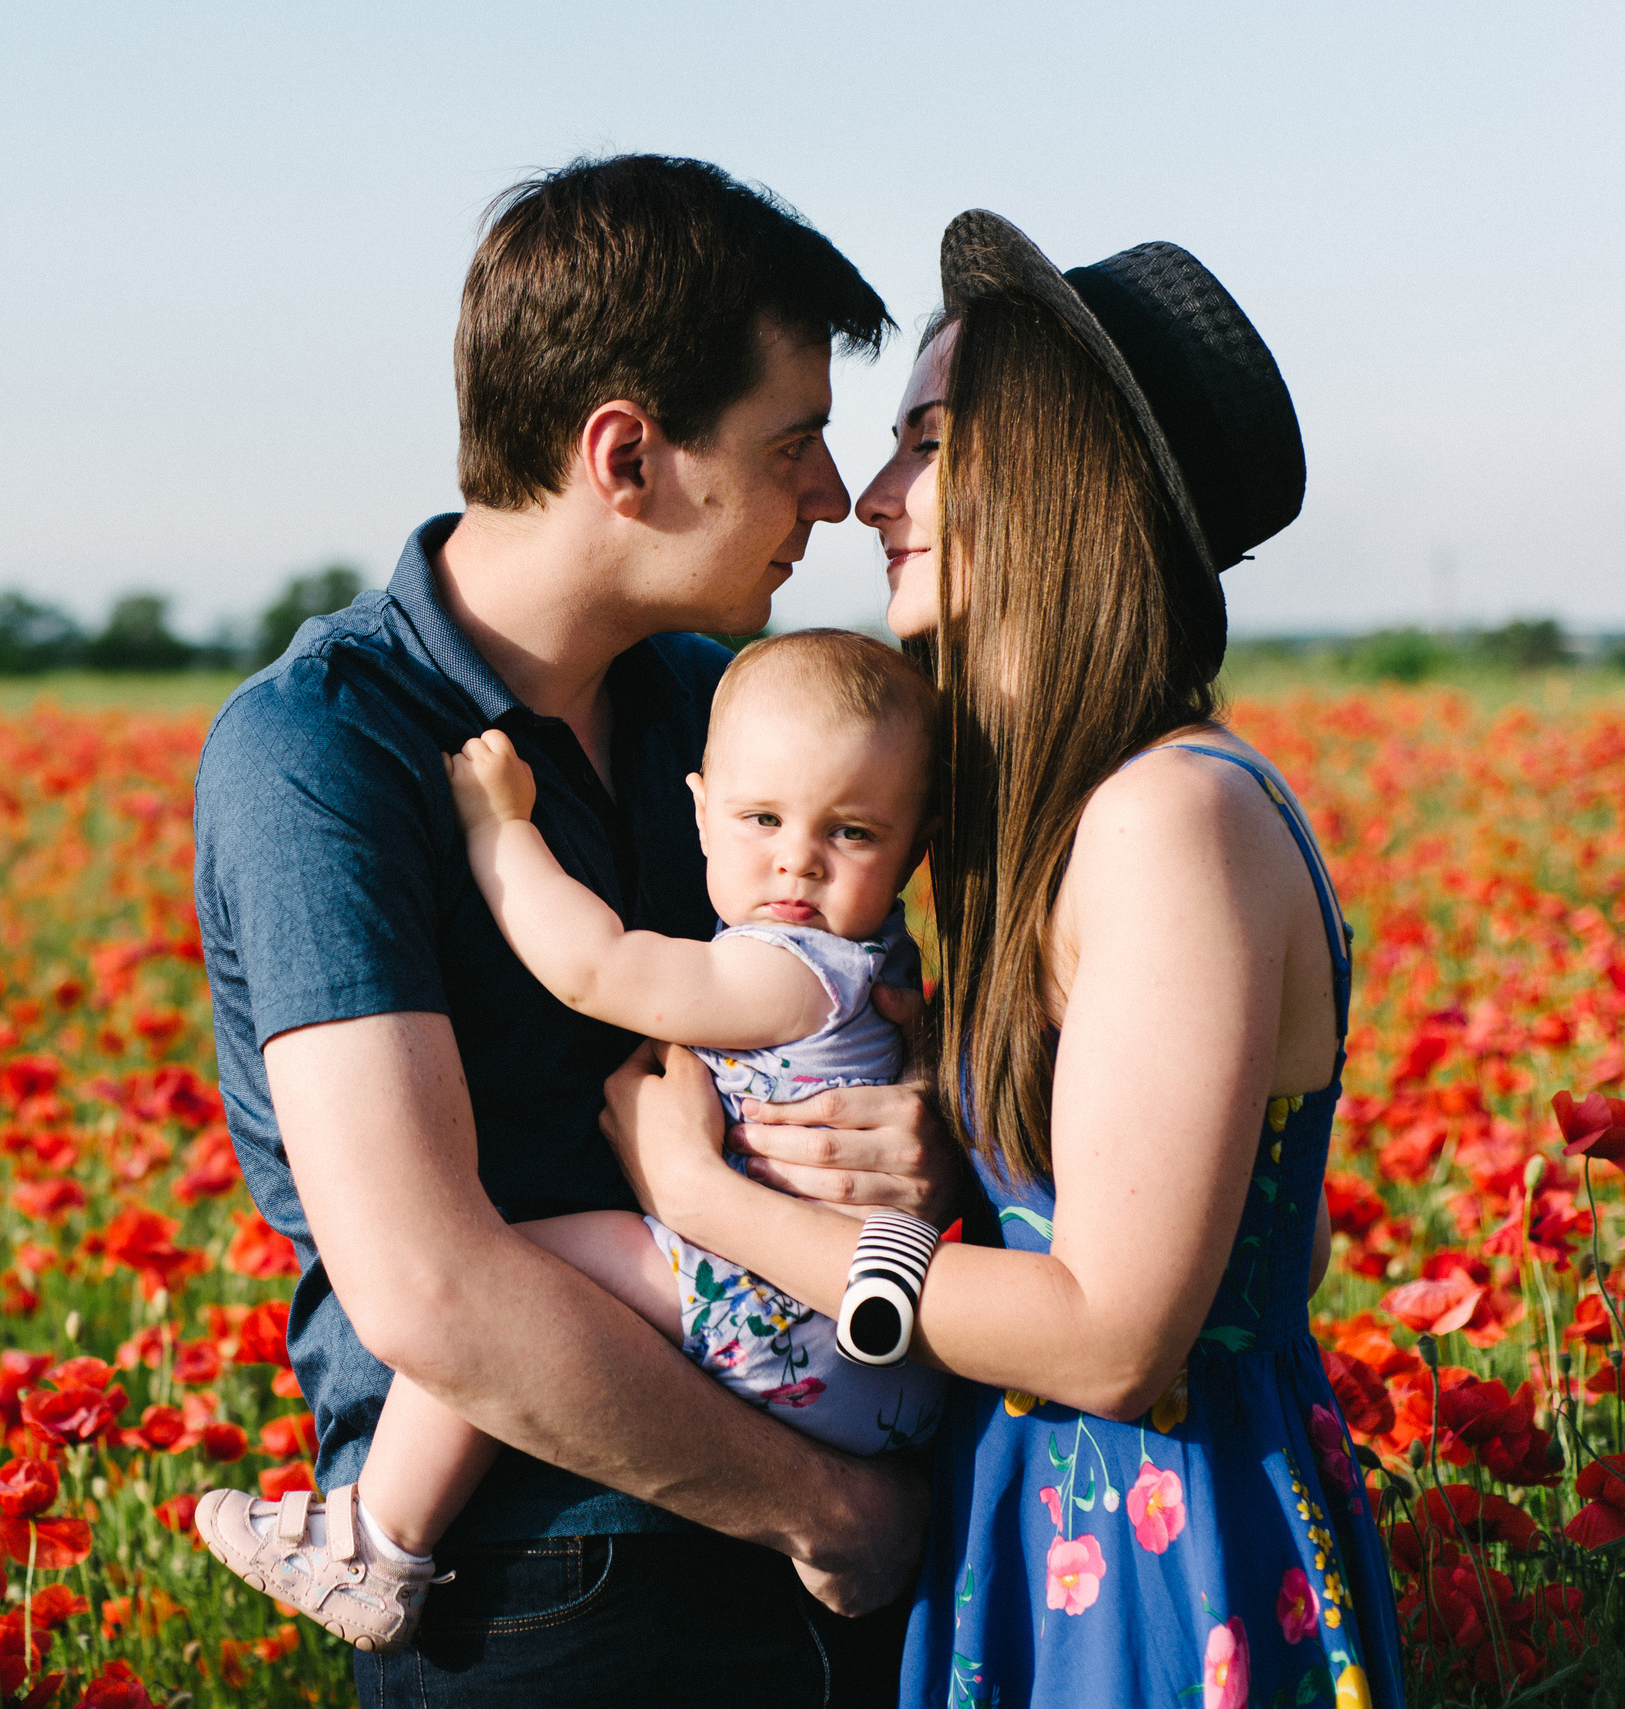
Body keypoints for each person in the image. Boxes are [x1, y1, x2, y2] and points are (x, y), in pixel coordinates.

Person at [600, 212, 1405, 1709]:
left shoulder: (1169, 818)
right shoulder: (1061, 813)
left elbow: (1111, 1341)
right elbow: (1267, 1246)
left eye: (926, 443)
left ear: (1059, 473)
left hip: (1158, 1549)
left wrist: (706, 1201)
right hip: (1054, 1514)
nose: (874, 496)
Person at [191, 155, 966, 1705]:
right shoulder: (326, 749)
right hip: (545, 1566)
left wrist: (915, 1139)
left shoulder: (721, 708)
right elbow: (428, 1283)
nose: (834, 494)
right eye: (795, 441)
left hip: (835, 1497)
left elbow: (855, 1029)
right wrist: (827, 1510)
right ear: (626, 455)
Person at [196, 628, 951, 1653]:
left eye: (850, 832)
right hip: (866, 1356)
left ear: (913, 845)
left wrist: (500, 827)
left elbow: (597, 968)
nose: (796, 858)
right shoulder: (876, 959)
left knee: (503, 1274)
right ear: (700, 809)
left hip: (784, 1314)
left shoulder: (790, 967)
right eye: (763, 819)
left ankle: (377, 1538)